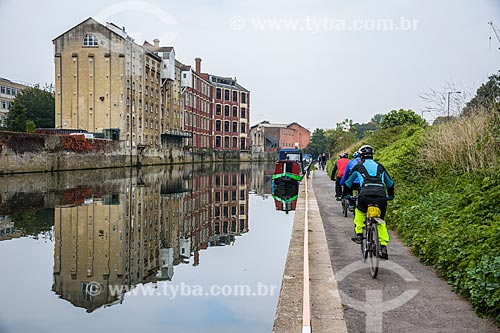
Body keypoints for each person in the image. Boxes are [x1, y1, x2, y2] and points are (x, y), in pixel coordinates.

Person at [343, 144, 394, 259]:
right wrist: (390, 196)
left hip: (365, 195)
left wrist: (346, 195)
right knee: (380, 221)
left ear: (361, 157)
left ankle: (360, 235)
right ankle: (383, 246)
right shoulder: (381, 167)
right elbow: (390, 184)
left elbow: (347, 183)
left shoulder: (358, 166)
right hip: (381, 196)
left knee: (360, 211)